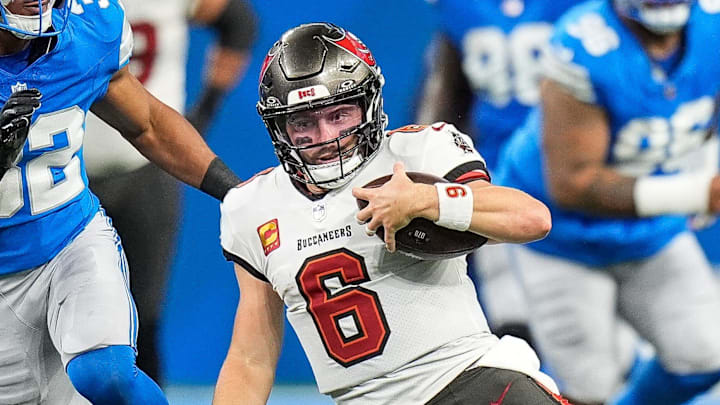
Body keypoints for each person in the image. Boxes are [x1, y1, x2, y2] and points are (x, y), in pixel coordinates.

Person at [213, 22, 567, 405]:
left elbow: (532, 219)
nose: (325, 136)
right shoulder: (251, 207)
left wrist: (425, 200)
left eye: (339, 115)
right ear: (279, 127)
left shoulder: (418, 153)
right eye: (303, 123)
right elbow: (251, 358)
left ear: (368, 104)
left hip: (467, 380)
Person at [0, 0, 240, 404]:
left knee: (106, 374)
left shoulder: (87, 29)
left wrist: (235, 191)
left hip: (66, 243)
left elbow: (147, 124)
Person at [496, 0, 720, 404]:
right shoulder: (583, 42)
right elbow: (574, 185)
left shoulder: (711, 24)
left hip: (652, 230)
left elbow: (705, 96)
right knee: (587, 389)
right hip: (561, 237)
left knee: (705, 355)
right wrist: (698, 191)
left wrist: (705, 160)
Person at [82, 0, 257, 382]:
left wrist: (205, 111)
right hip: (62, 180)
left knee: (142, 320)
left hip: (146, 170)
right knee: (51, 321)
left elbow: (238, 23)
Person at [417, 0, 582, 347]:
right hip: (499, 175)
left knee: (585, 318)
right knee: (514, 319)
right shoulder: (462, 11)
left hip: (566, 170)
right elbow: (446, 95)